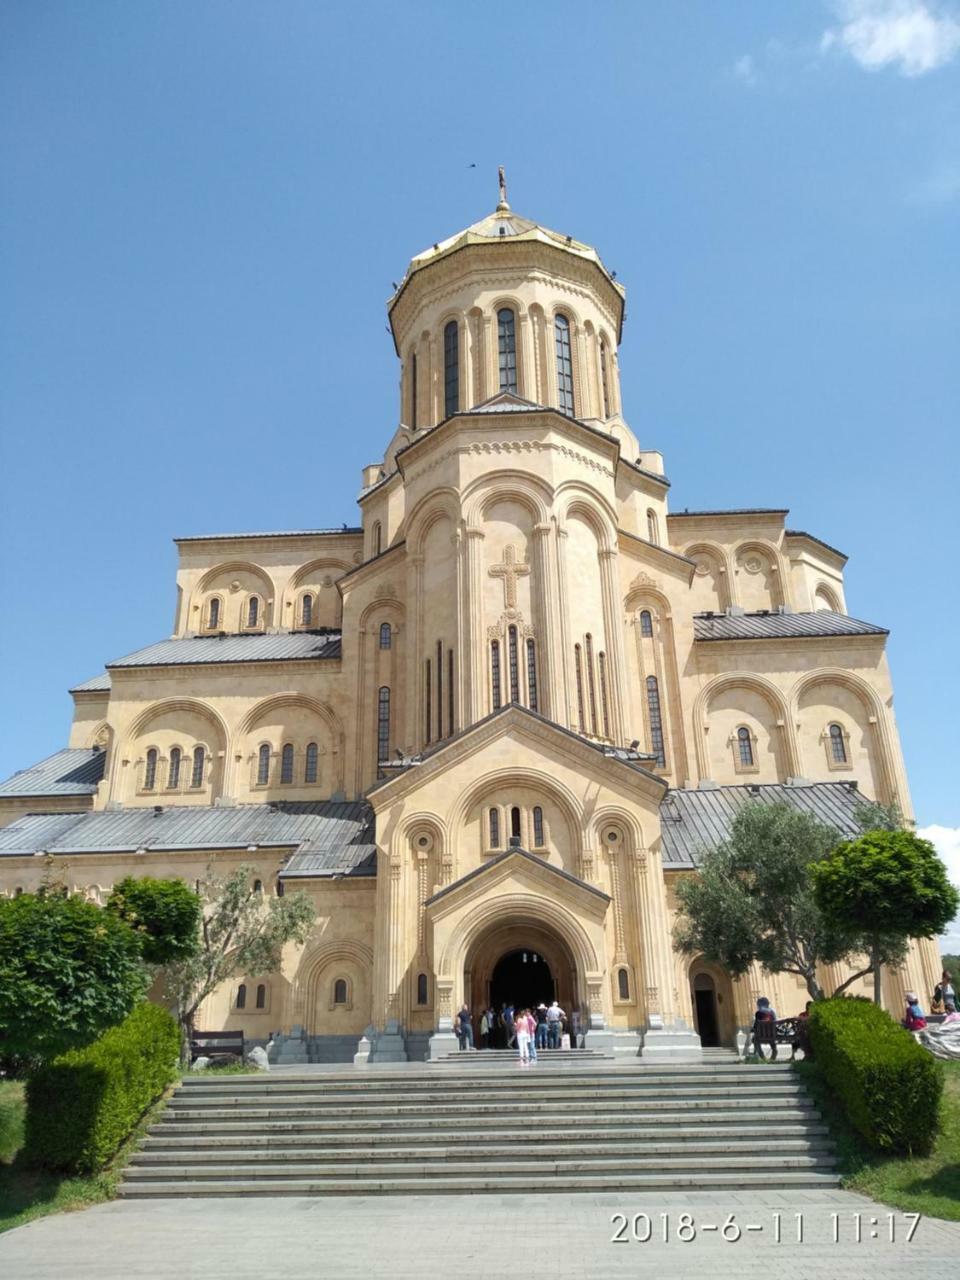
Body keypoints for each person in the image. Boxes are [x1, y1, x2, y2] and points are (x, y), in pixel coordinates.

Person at [750, 996, 778, 1061]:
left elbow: (756, 1025)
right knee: (771, 1039)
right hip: (772, 1034)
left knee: (755, 1039)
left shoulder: (758, 1013)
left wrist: (753, 1029)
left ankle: (762, 1056)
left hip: (760, 1035)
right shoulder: (772, 1012)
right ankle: (774, 1054)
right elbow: (775, 1021)